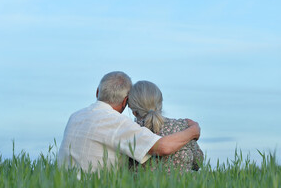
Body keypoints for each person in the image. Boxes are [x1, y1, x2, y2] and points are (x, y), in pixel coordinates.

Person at [57, 71, 200, 173]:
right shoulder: (117, 122)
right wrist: (193, 130)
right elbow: (163, 147)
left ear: (97, 92)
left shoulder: (75, 117)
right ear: (126, 101)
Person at [128, 80, 204, 172]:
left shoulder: (130, 131)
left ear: (133, 110)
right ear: (160, 103)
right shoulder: (183, 127)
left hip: (139, 186)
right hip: (182, 186)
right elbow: (198, 163)